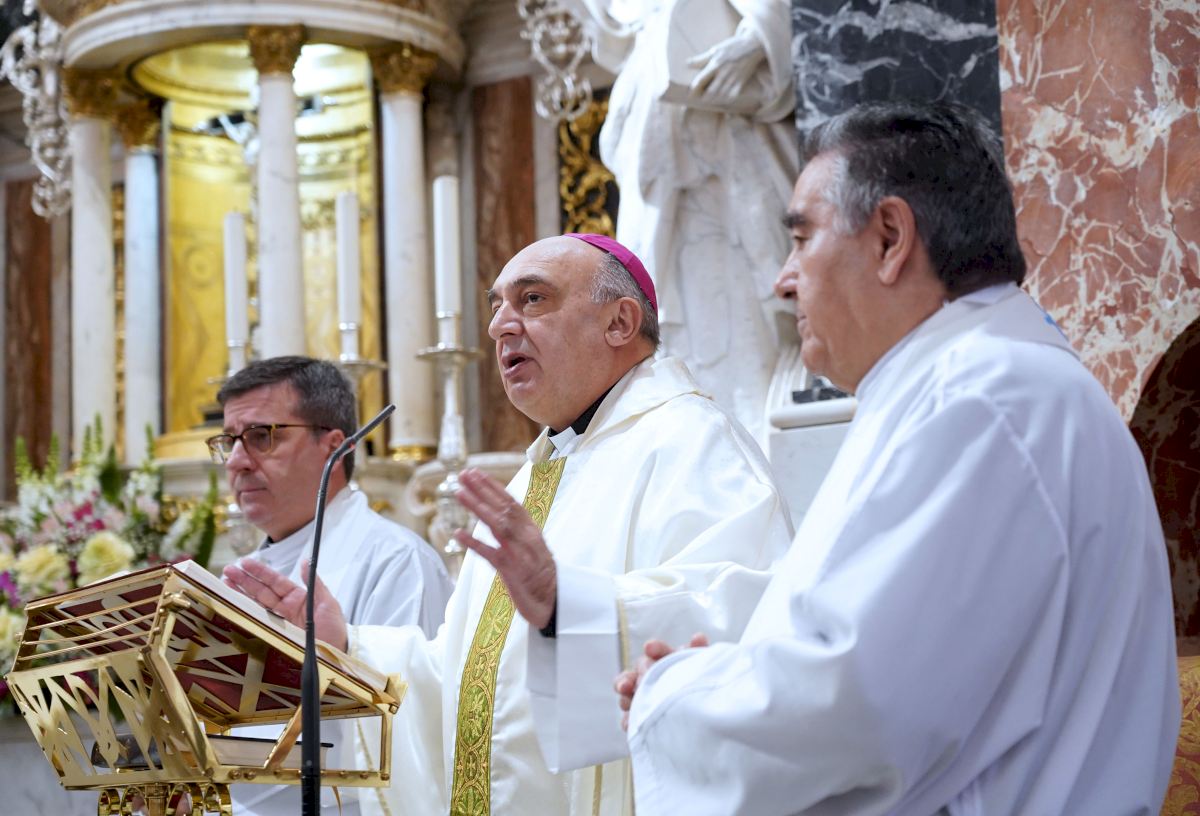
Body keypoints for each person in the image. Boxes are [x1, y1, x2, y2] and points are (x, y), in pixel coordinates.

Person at [615, 101, 1181, 814]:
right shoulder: (985, 384)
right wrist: (719, 680)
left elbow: (855, 704)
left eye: (802, 238)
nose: (782, 280)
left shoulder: (984, 398)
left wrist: (676, 697)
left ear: (889, 238)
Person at [223, 234, 793, 815]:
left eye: (533, 299)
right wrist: (348, 644)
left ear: (620, 322)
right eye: (496, 306)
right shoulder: (537, 474)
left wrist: (569, 605)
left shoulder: (692, 442)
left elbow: (742, 625)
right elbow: (459, 684)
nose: (499, 326)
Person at [210, 356, 453, 816]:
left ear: (333, 448)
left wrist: (338, 653)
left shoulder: (396, 562)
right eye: (228, 441)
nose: (237, 461)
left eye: (261, 436)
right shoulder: (242, 574)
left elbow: (414, 733)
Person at [563, 0, 797, 442]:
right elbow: (613, 25)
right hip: (659, 116)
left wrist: (757, 37)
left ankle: (762, 435)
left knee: (751, 294)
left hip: (728, 118)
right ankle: (696, 442)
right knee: (672, 305)